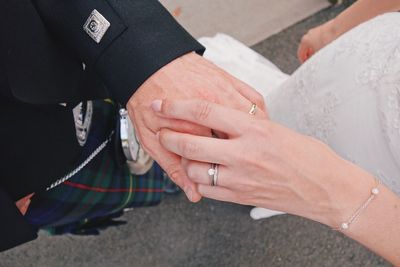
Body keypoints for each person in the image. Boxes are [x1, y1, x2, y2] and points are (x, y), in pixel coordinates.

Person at [0, 0, 264, 252]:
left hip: (58, 73)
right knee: (116, 190)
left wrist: (146, 58)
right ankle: (163, 181)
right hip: (23, 180)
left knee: (138, 147)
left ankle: (162, 178)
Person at [153, 0, 400, 265]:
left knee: (269, 171)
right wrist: (335, 29)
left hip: (380, 164)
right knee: (275, 116)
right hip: (369, 58)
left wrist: (335, 193)